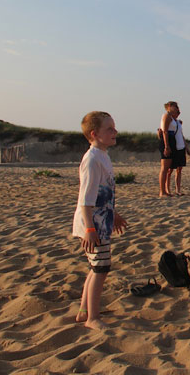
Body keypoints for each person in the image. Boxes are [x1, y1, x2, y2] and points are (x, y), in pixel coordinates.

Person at [72, 111, 127, 330]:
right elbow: (86, 200)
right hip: (92, 224)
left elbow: (103, 196)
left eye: (114, 128)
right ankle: (92, 318)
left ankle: (84, 311)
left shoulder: (103, 155)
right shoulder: (93, 159)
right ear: (94, 134)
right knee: (101, 269)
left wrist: (114, 215)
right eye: (109, 129)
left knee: (96, 267)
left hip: (102, 222)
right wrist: (89, 228)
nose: (115, 132)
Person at [158, 101, 190, 196]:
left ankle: (166, 191)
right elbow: (165, 132)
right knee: (165, 168)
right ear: (169, 107)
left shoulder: (173, 119)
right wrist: (167, 146)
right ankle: (162, 191)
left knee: (169, 167)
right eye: (174, 106)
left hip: (172, 142)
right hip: (167, 142)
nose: (176, 108)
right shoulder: (166, 116)